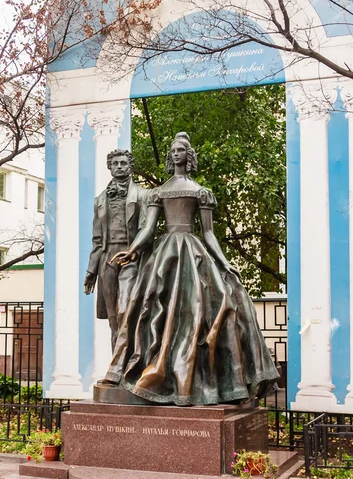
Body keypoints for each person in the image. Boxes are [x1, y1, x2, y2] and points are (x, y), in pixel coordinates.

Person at [102, 133, 279, 405]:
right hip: (166, 254)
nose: (175, 154)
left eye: (180, 150)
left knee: (214, 305)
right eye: (172, 150)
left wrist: (225, 262)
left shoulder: (201, 192)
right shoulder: (158, 192)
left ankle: (207, 381)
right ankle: (145, 369)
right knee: (150, 307)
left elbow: (208, 233)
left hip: (194, 251)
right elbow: (148, 229)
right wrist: (133, 249)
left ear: (189, 155)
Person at [84, 149, 147, 355]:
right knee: (113, 318)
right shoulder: (99, 200)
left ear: (130, 166)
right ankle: (116, 368)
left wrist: (135, 251)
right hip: (107, 259)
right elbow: (96, 239)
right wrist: (91, 271)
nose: (119, 166)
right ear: (109, 167)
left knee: (125, 311)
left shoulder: (142, 195)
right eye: (115, 163)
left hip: (131, 257)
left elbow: (146, 228)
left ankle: (131, 362)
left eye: (123, 163)